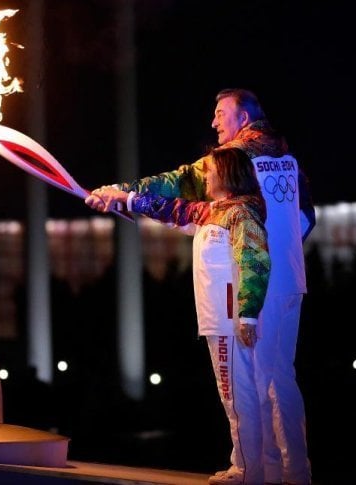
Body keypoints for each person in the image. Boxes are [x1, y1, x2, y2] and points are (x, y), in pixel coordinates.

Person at [88, 88, 315, 485]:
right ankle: (290, 471)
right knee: (279, 377)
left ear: (243, 118)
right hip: (288, 280)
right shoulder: (289, 160)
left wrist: (123, 193)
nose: (214, 122)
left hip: (247, 283)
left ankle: (252, 470)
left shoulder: (231, 162)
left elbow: (178, 186)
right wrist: (280, 253)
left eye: (220, 113)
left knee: (248, 380)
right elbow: (306, 218)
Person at [87, 147, 271, 485]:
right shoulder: (212, 211)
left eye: (210, 170)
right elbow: (170, 208)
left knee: (236, 394)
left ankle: (247, 472)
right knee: (236, 392)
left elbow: (255, 261)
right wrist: (120, 198)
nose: (205, 176)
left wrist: (247, 314)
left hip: (230, 321)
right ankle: (256, 469)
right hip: (219, 320)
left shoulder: (241, 213)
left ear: (227, 174)